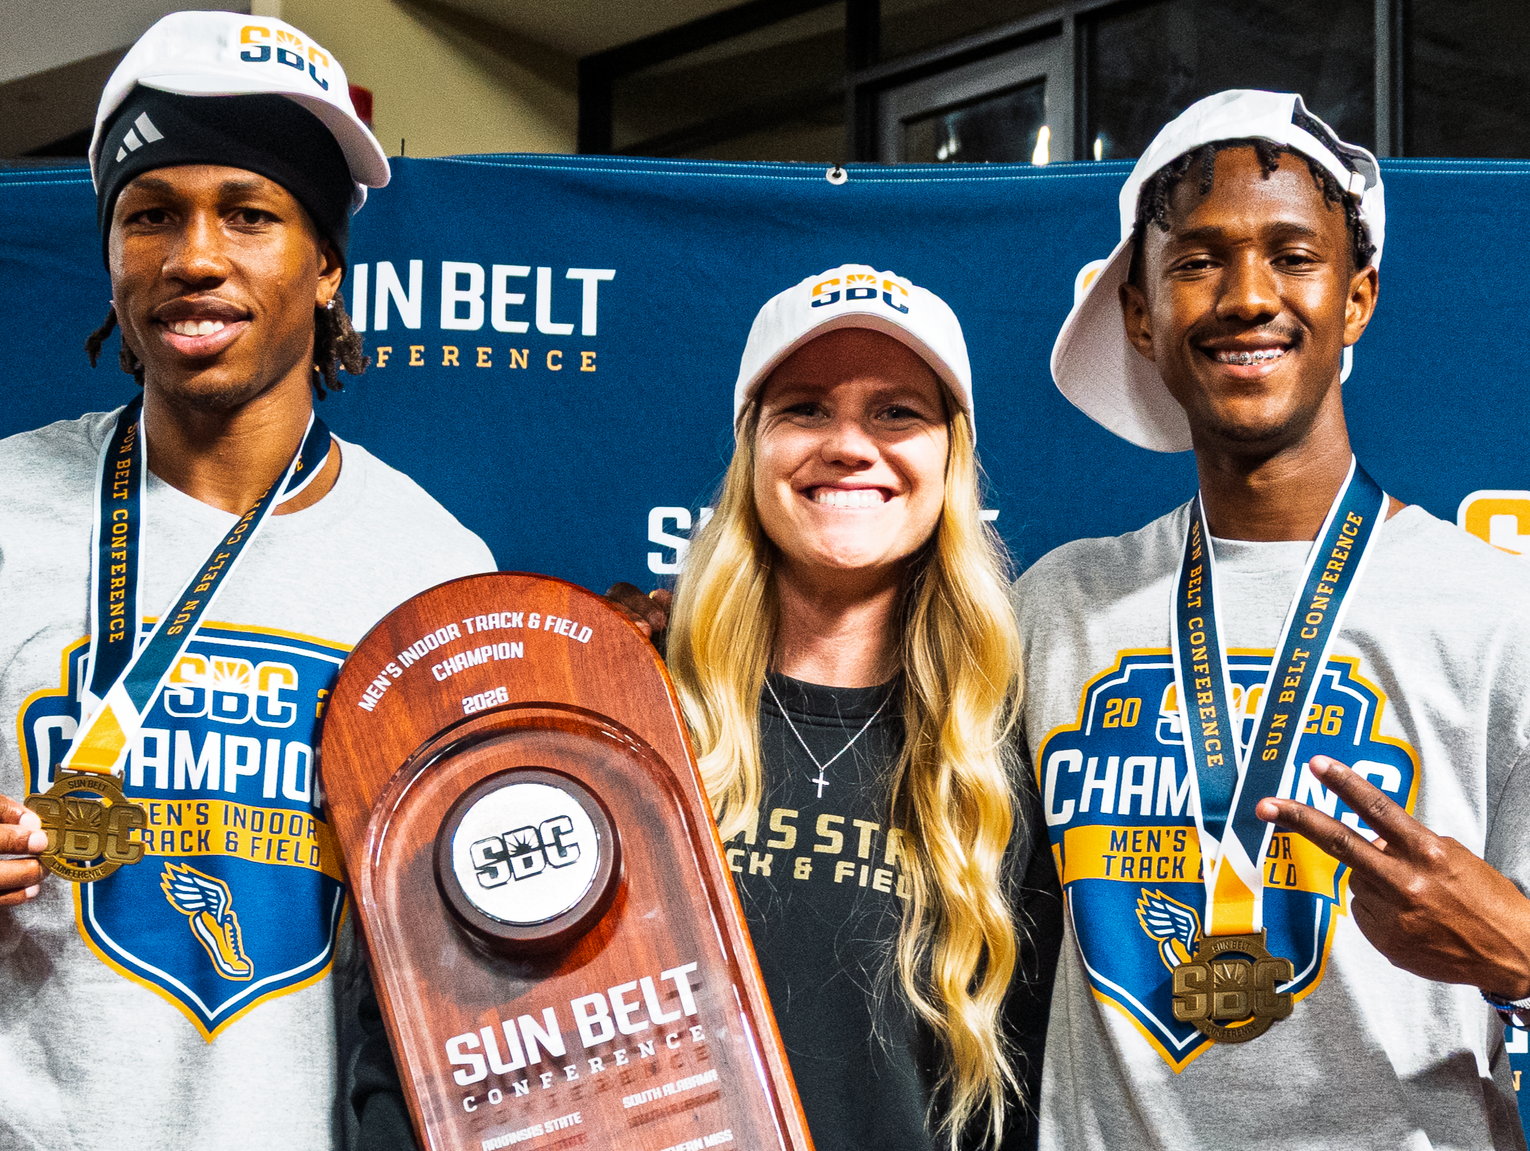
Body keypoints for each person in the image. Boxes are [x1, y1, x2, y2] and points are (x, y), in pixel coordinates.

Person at [0, 12, 495, 1149]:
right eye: (150, 214)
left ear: (326, 265)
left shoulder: (433, 571)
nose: (194, 257)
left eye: (250, 212)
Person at [1020, 89, 1530, 1149]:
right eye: (1199, 260)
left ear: (1357, 298)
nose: (1248, 296)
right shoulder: (1054, 607)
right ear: (1141, 313)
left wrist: (1520, 956)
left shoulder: (1497, 611)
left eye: (1294, 256)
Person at [665, 264, 1062, 1150]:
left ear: (951, 459)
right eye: (806, 408)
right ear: (753, 447)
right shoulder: (642, 716)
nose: (849, 445)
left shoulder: (1007, 757)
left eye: (896, 412)